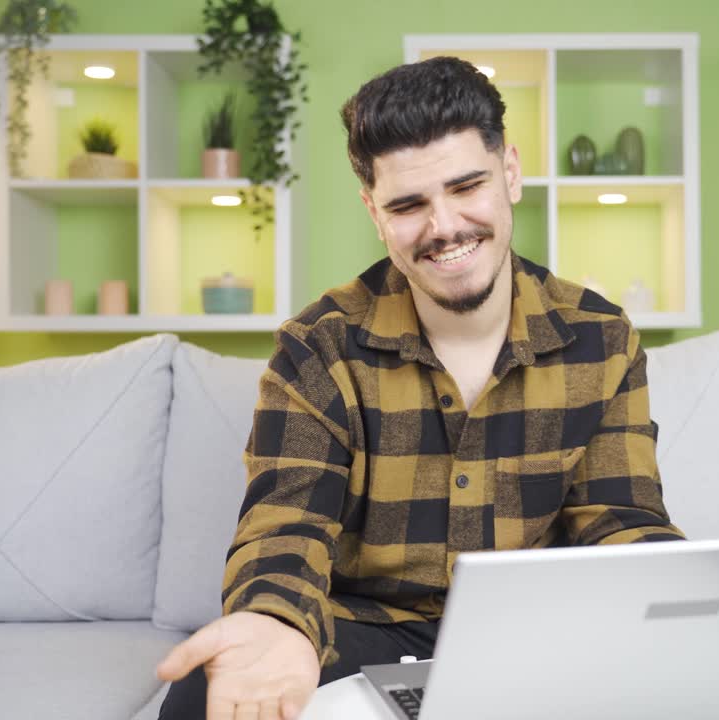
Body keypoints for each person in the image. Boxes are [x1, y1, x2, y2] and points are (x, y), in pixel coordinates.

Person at [155, 56, 684, 720]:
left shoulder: (599, 336)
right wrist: (280, 622)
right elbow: (286, 525)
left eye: (467, 186)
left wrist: (683, 604)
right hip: (366, 630)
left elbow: (619, 517)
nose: (444, 227)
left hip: (533, 630)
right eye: (408, 204)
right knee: (202, 698)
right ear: (374, 213)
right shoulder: (317, 346)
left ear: (510, 173)